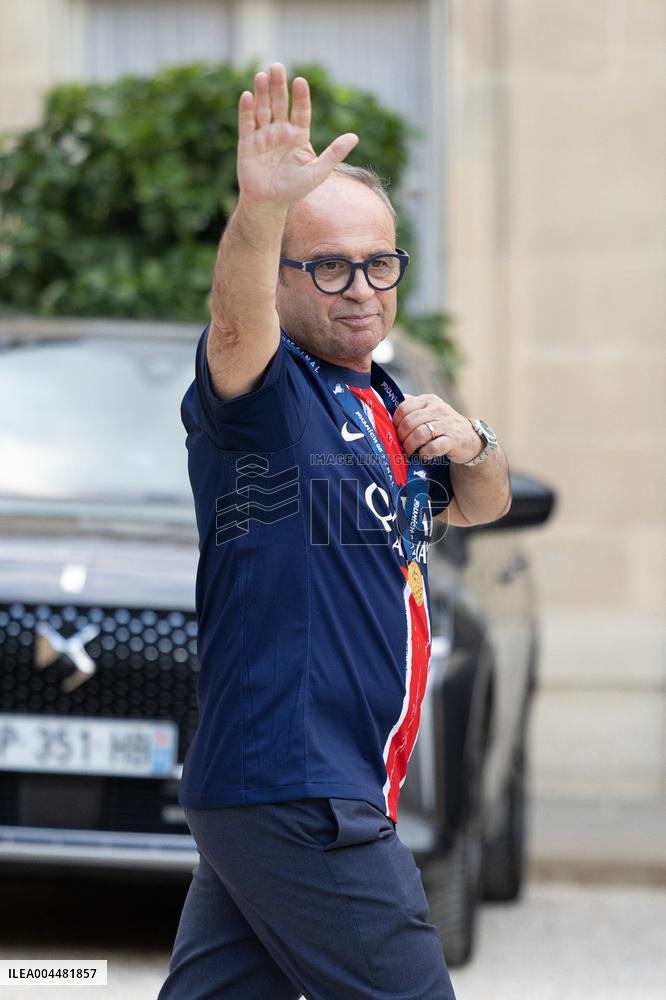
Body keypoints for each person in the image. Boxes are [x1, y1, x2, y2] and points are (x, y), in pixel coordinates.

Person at [159, 63, 511, 1000]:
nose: (361, 288)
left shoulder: (382, 399)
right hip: (300, 786)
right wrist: (260, 210)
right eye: (327, 264)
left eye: (380, 263)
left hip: (302, 787)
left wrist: (474, 445)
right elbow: (235, 326)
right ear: (281, 274)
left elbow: (481, 504)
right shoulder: (267, 402)